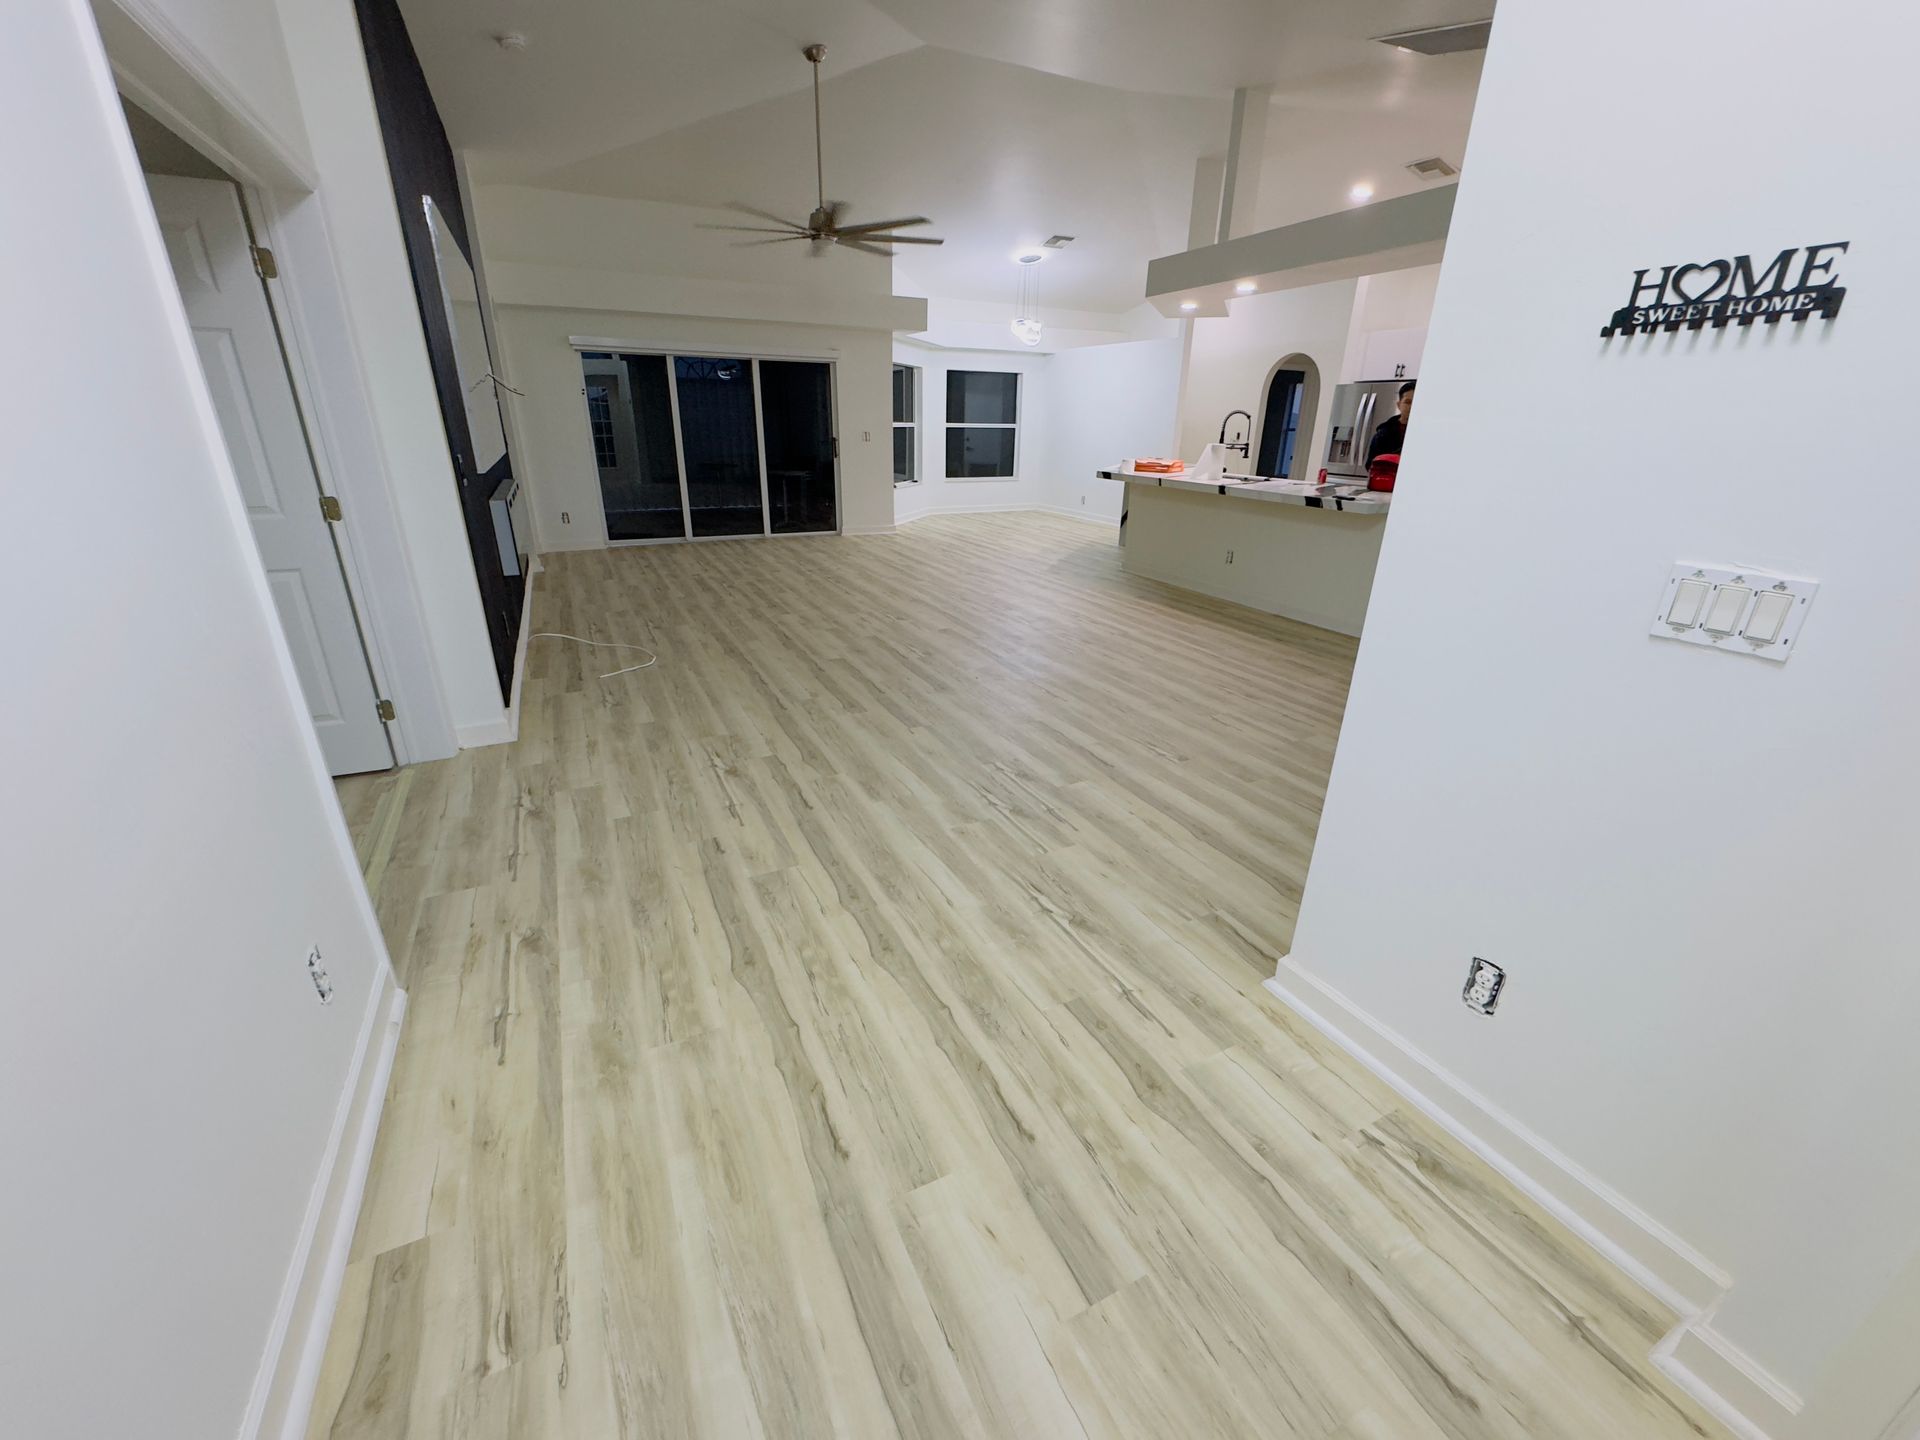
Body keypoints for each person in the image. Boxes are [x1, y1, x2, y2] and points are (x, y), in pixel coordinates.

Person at [1367, 380, 1414, 462]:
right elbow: (1371, 465)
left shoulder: (1427, 433)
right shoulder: (1383, 433)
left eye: (1416, 402)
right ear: (1399, 405)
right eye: (1407, 402)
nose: (1412, 406)